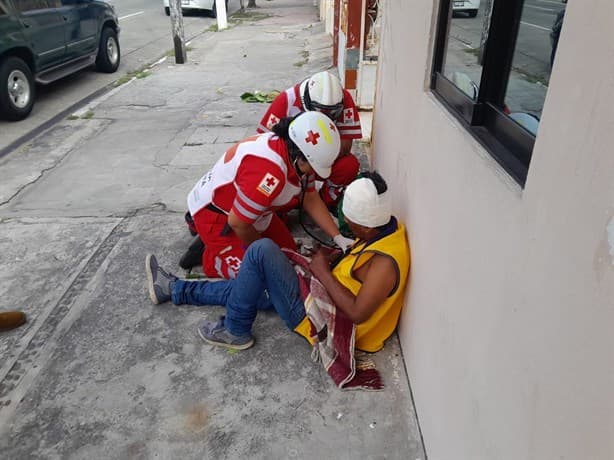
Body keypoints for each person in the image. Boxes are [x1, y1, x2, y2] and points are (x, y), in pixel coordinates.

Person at [145, 172, 410, 353]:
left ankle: (235, 330)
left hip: (317, 319)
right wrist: (330, 261)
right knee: (250, 286)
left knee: (261, 250)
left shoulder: (384, 263)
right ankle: (174, 289)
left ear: (364, 226)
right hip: (318, 296)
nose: (347, 227)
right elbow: (356, 269)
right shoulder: (384, 228)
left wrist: (321, 272)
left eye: (350, 225)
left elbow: (357, 313)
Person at [181, 111, 354, 279]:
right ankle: (213, 257)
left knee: (289, 255)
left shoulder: (297, 153)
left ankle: (226, 245)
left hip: (253, 213)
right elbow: (238, 223)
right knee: (263, 276)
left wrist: (337, 237)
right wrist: (266, 257)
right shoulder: (269, 172)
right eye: (314, 167)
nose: (315, 173)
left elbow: (310, 197)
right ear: (300, 158)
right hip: (217, 216)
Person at [257, 70, 363, 210]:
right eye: (321, 110)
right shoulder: (287, 100)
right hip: (291, 163)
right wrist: (298, 162)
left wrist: (315, 158)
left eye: (331, 112)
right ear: (306, 100)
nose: (326, 115)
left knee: (349, 165)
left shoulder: (344, 99)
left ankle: (324, 203)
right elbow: (263, 144)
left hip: (324, 161)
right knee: (277, 211)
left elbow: (345, 147)